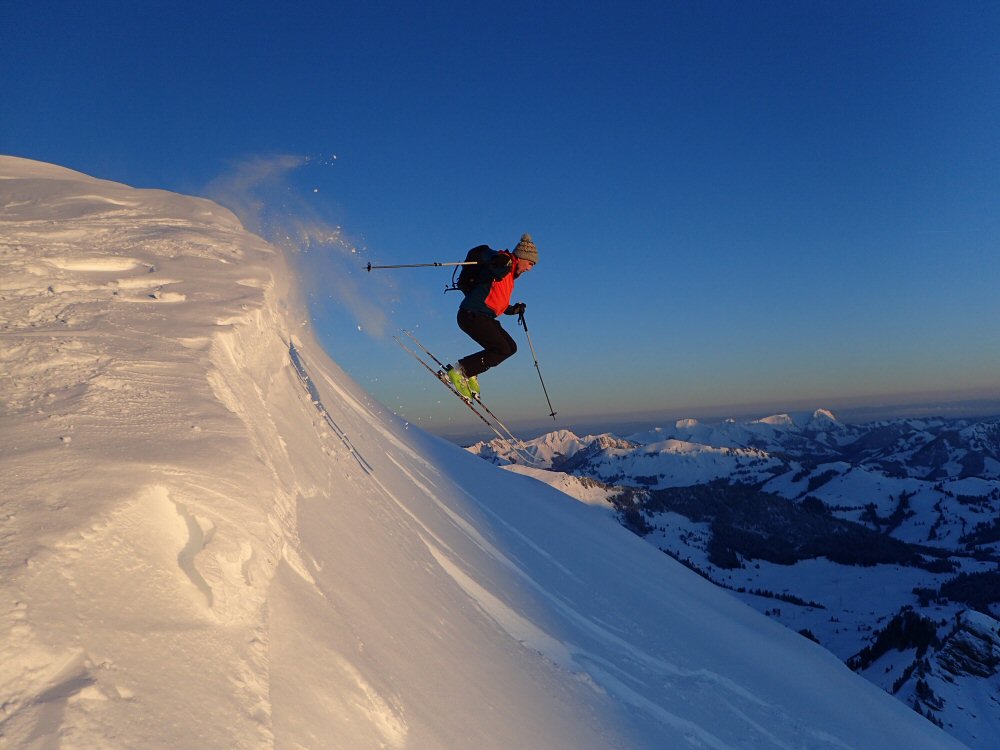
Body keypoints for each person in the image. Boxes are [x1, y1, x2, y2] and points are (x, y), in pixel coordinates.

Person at [447, 233, 539, 400]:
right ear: (522, 257)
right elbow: (482, 250)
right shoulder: (504, 261)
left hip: (483, 316)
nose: (529, 269)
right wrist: (496, 258)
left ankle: (471, 371)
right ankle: (460, 371)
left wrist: (514, 310)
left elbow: (497, 303)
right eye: (530, 264)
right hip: (471, 315)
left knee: (511, 347)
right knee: (501, 349)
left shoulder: (510, 277)